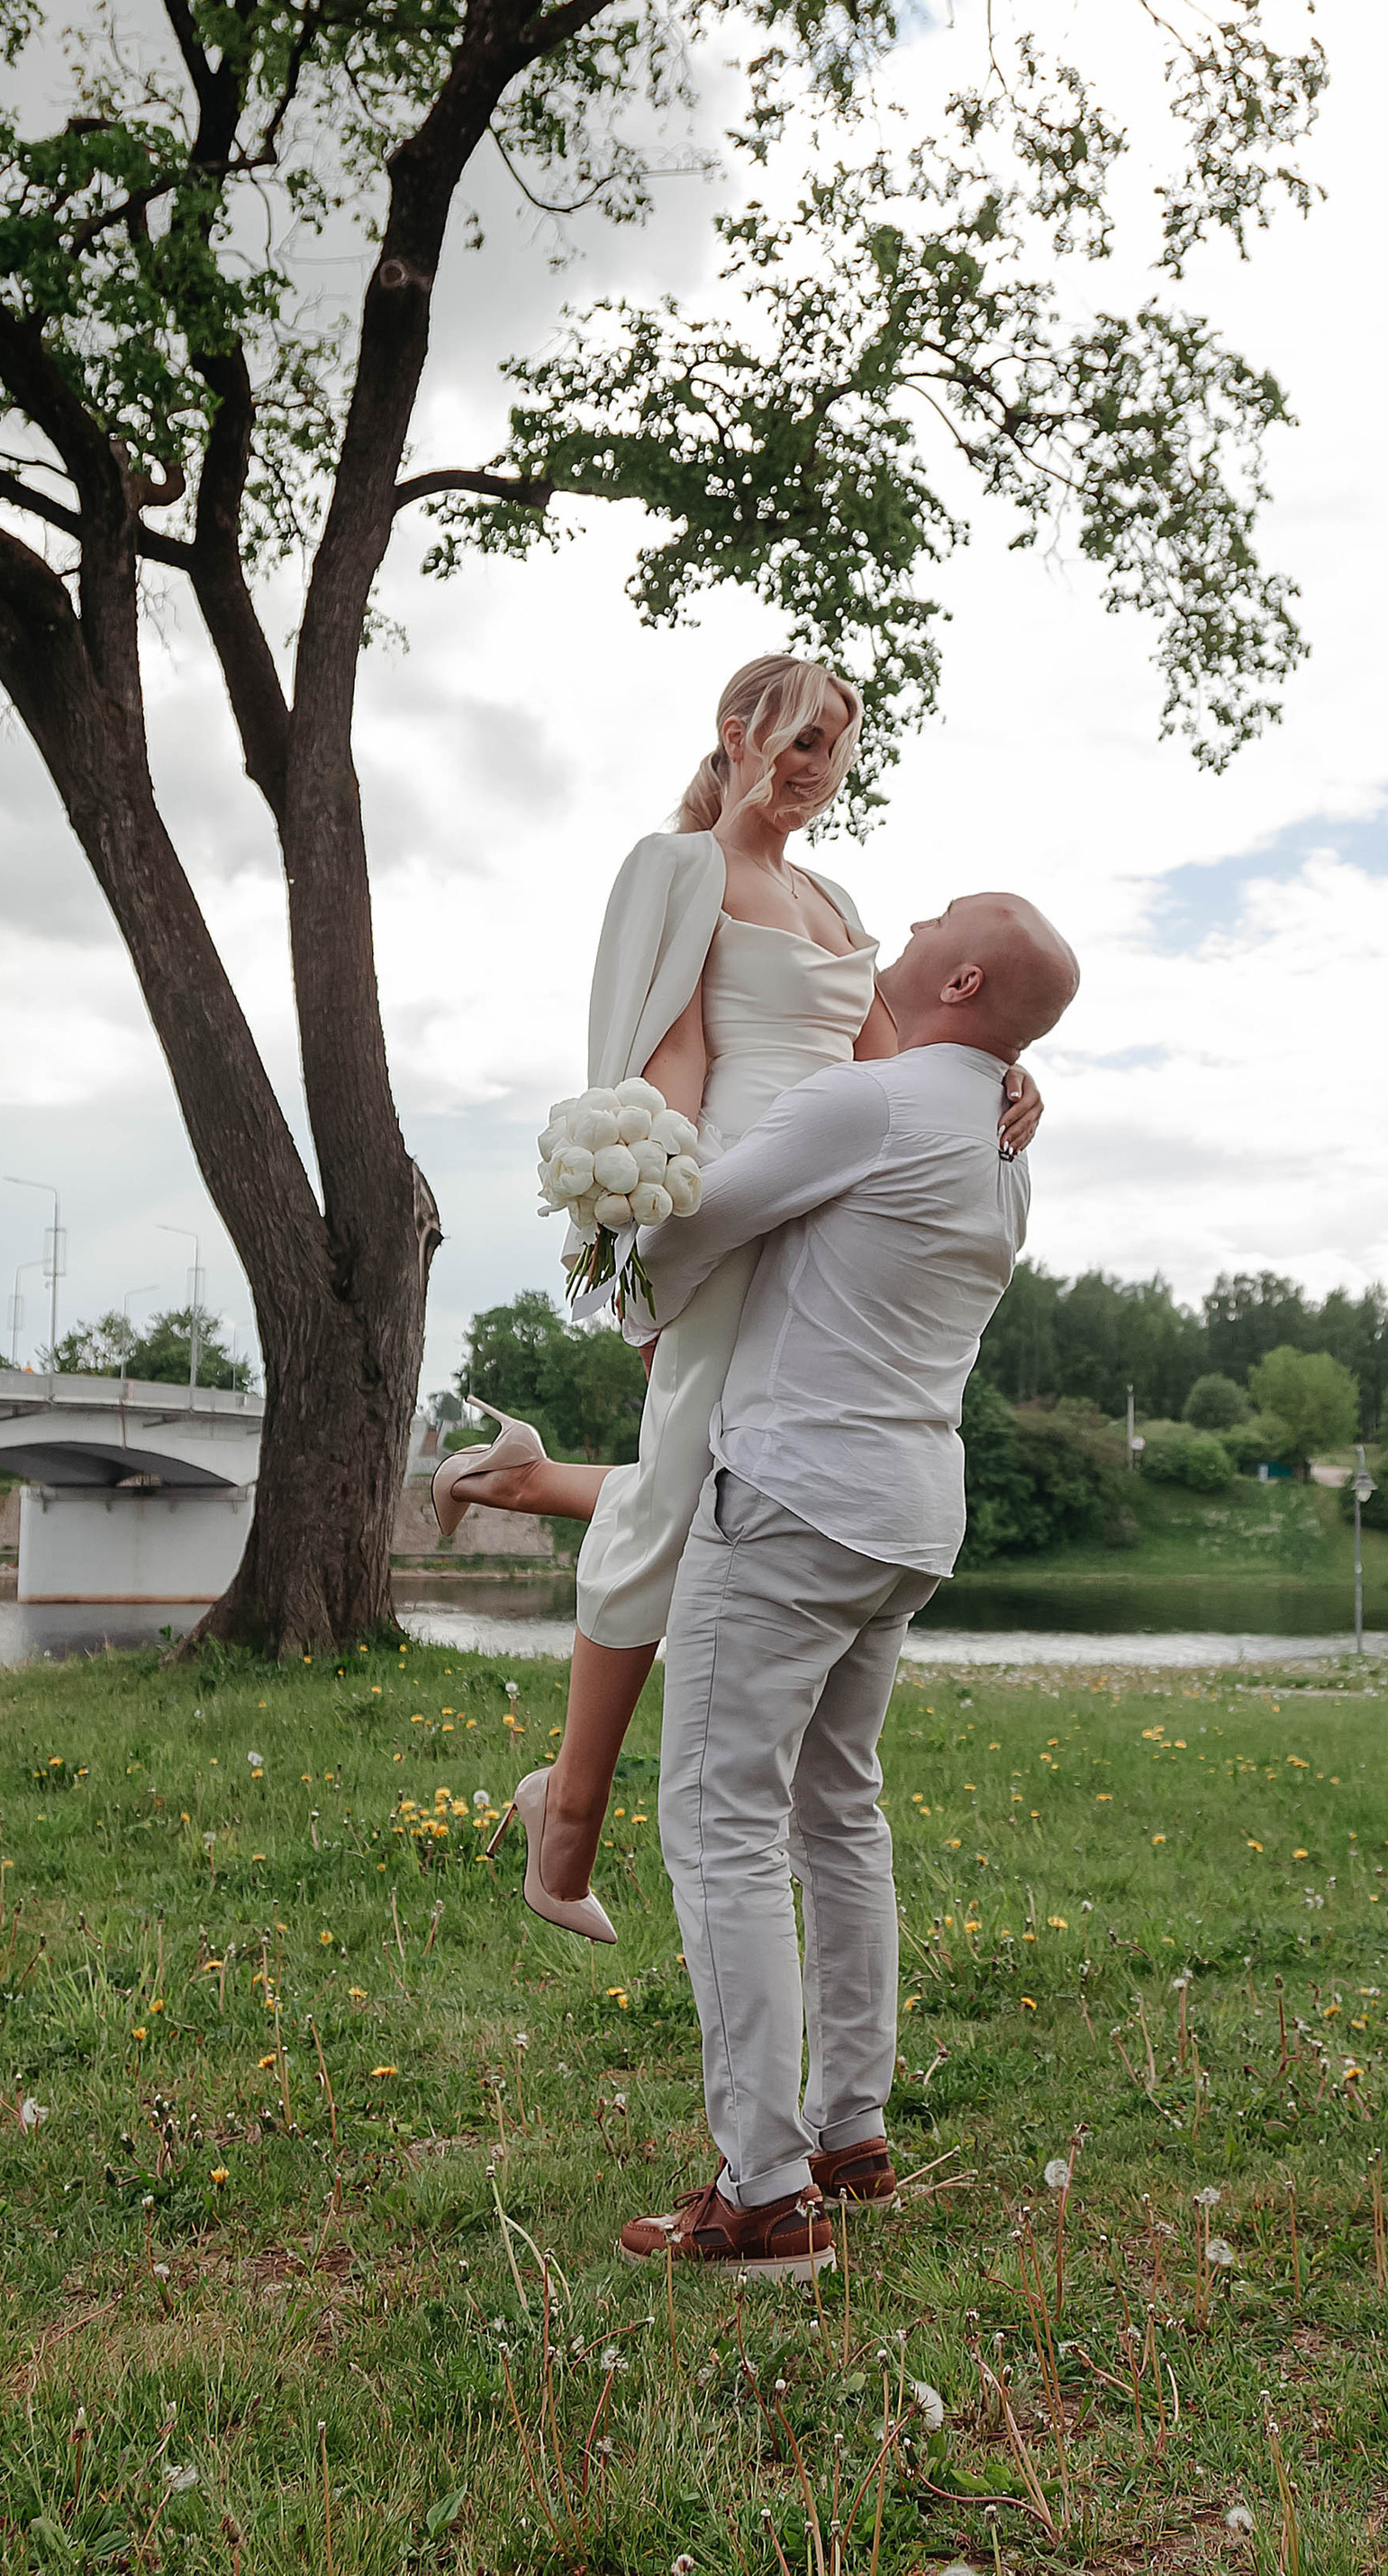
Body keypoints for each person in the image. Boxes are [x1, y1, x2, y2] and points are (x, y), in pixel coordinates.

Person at [435, 654, 1041, 1943]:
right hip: (734, 1198)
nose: (819, 767)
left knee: (707, 1471)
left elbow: (895, 1056)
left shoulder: (832, 895)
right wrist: (666, 1228)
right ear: (739, 730)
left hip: (833, 1207)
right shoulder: (680, 869)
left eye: (839, 746)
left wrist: (1004, 1079)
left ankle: (535, 1539)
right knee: (683, 1476)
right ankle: (571, 1818)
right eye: (803, 738)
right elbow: (665, 1056)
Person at [617, 890, 1081, 2278]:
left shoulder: (865, 1105)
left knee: (719, 1817)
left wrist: (632, 1290)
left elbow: (702, 1220)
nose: (920, 912)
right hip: (904, 1517)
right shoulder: (1004, 1151)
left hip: (793, 1498)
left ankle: (763, 2190)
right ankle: (850, 2128)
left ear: (965, 976)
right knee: (837, 1809)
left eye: (945, 913)